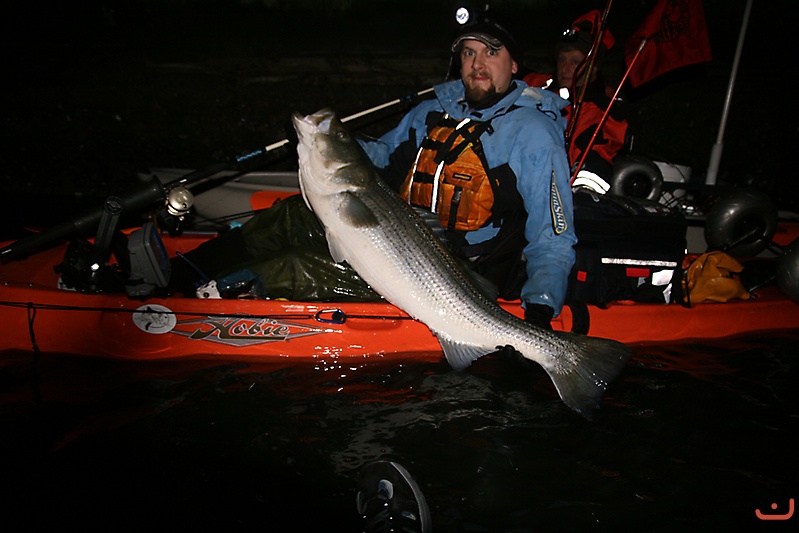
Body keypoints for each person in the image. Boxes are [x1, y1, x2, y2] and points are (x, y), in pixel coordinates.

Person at [169, 12, 576, 328]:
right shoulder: (434, 111)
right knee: (294, 214)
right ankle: (185, 271)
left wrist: (540, 308)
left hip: (454, 270)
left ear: (515, 64)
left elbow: (553, 235)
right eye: (469, 53)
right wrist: (328, 145)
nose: (477, 64)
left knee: (296, 267)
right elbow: (379, 157)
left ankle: (196, 304)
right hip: (397, 231)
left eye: (491, 52)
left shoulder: (535, 135)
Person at [523, 10, 629, 195]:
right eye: (562, 60)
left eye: (574, 62)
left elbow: (596, 161)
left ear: (593, 68)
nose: (565, 68)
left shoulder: (602, 113)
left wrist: (579, 196)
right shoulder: (536, 86)